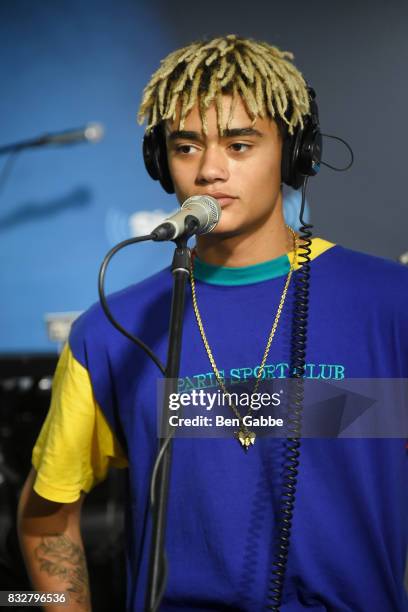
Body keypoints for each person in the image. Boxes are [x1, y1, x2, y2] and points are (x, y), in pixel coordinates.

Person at [17, 35, 408, 611]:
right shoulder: (110, 331)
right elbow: (45, 521)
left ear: (295, 152)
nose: (210, 170)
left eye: (240, 144)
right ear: (161, 162)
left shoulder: (390, 302)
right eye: (186, 147)